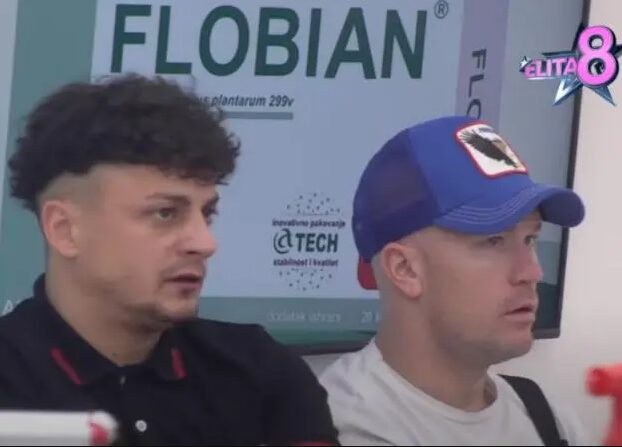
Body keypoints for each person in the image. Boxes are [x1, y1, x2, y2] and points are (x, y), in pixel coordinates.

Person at [0, 74, 338, 446]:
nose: (205, 243)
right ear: (65, 230)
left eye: (207, 214)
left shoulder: (260, 371)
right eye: (165, 213)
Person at [319, 115, 592, 446]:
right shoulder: (337, 427)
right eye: (494, 240)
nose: (533, 272)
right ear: (405, 269)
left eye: (530, 239)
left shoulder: (547, 418)